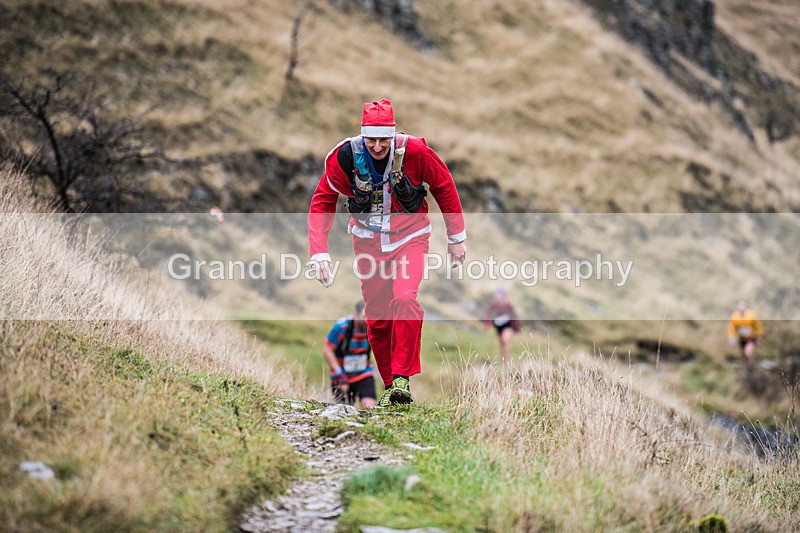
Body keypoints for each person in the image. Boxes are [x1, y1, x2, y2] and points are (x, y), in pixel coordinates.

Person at [308, 98, 467, 407]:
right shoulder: (345, 157)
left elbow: (444, 185)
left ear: (393, 135)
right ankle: (391, 390)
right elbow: (322, 201)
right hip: (367, 242)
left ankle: (403, 378)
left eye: (384, 139)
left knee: (405, 297)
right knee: (378, 321)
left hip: (411, 236)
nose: (378, 146)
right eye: (372, 139)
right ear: (362, 135)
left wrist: (456, 237)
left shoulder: (416, 153)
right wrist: (319, 253)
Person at [324, 300, 377, 408]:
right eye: (364, 317)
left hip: (364, 373)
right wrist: (339, 374)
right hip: (341, 375)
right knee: (343, 411)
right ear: (355, 314)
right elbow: (327, 350)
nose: (367, 321)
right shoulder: (341, 326)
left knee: (370, 407)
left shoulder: (373, 327)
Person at [483, 288, 521, 364]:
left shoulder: (508, 303)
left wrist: (516, 325)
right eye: (497, 297)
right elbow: (489, 313)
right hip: (498, 325)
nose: (498, 299)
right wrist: (487, 323)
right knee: (502, 342)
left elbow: (514, 314)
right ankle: (504, 359)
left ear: (504, 296)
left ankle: (507, 360)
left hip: (508, 324)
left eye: (500, 297)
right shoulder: (494, 303)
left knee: (506, 340)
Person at [727, 299, 763, 368]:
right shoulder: (735, 316)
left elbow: (758, 325)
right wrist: (731, 337)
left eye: (742, 306)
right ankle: (748, 367)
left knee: (748, 353)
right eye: (739, 306)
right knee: (744, 355)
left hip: (751, 338)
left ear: (746, 306)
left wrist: (759, 335)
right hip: (742, 339)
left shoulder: (752, 315)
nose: (741, 308)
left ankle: (751, 366)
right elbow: (731, 327)